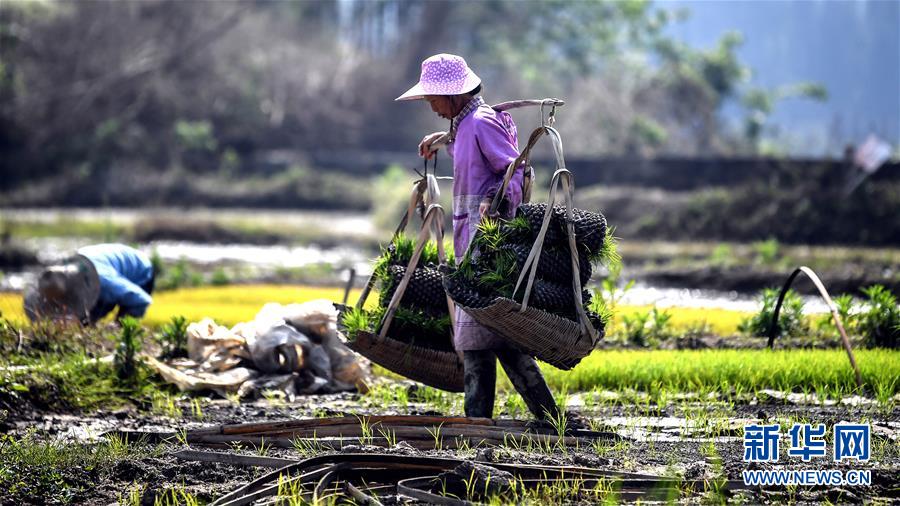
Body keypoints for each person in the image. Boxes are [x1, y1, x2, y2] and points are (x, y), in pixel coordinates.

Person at [396, 53, 561, 421]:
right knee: (498, 339)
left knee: (476, 341)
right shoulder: (468, 122)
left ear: (453, 95)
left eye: (433, 99)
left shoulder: (482, 121)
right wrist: (444, 140)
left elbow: (515, 171)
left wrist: (493, 202)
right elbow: (471, 153)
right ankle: (548, 420)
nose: (432, 106)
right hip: (471, 245)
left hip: (487, 248)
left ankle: (477, 424)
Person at [24, 243, 155, 325]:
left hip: (140, 269)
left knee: (123, 325)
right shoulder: (59, 275)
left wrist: (117, 327)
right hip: (102, 266)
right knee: (85, 321)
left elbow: (141, 300)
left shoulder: (106, 282)